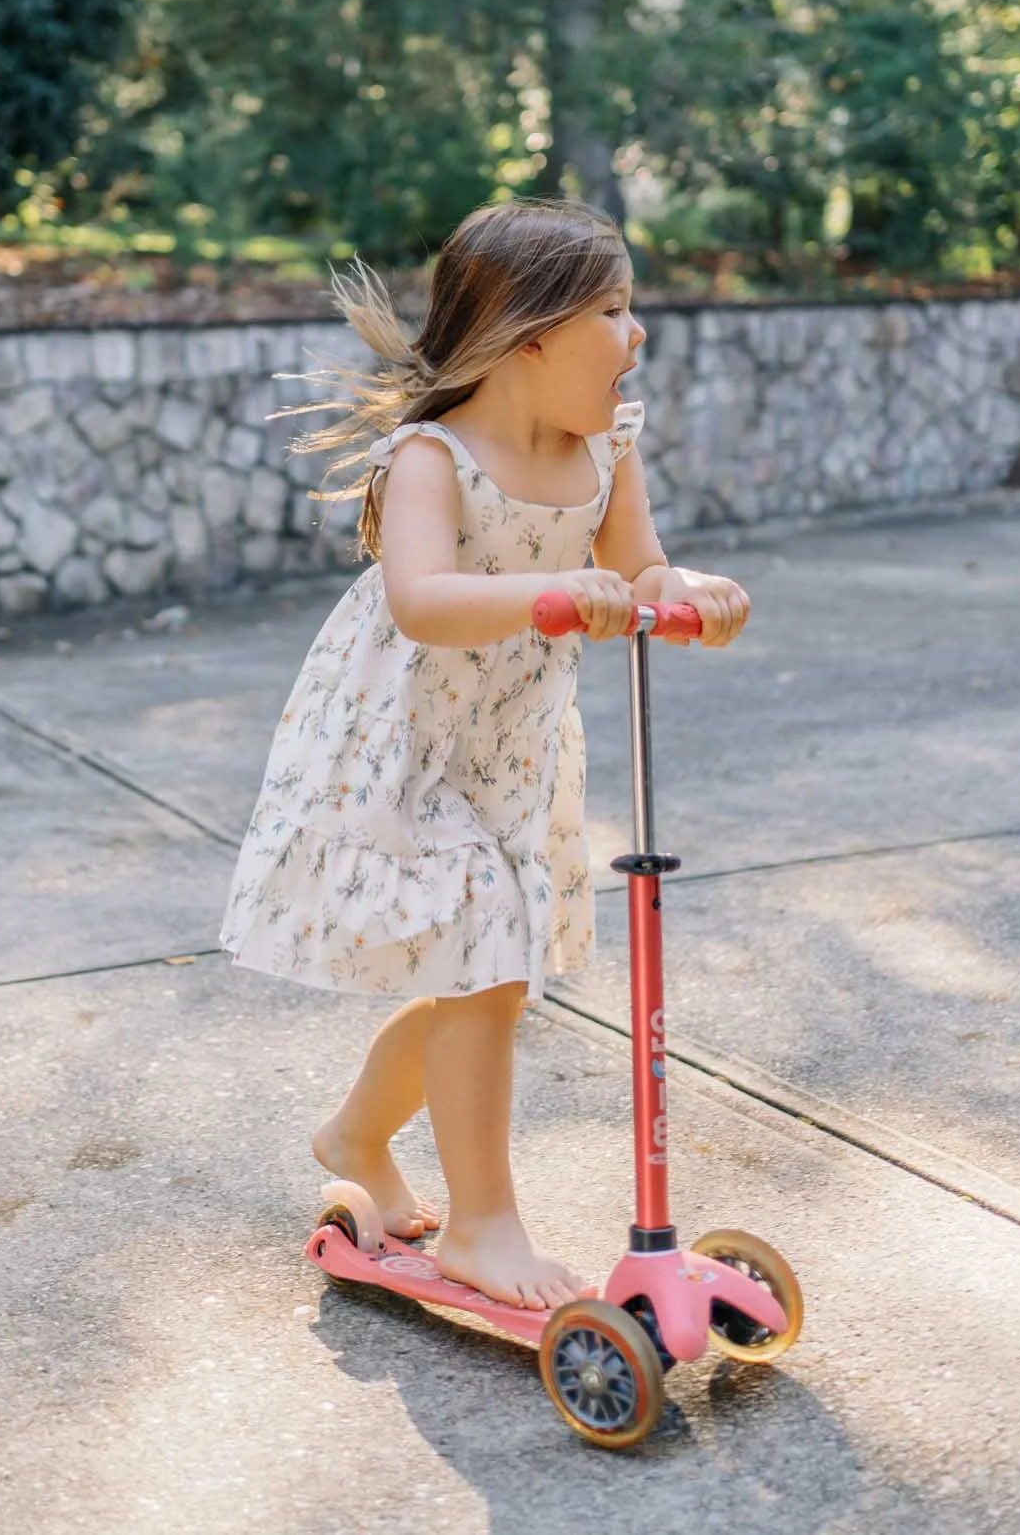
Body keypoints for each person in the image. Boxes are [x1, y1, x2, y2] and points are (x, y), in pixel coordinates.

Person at [220, 199, 750, 1311]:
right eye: (613, 308)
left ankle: (356, 1134)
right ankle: (481, 1224)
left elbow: (642, 568)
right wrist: (549, 594)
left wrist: (685, 593)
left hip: (509, 744)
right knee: (482, 950)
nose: (636, 332)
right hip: (397, 741)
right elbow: (422, 601)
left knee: (493, 979)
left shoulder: (603, 444)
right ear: (530, 334)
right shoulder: (433, 457)